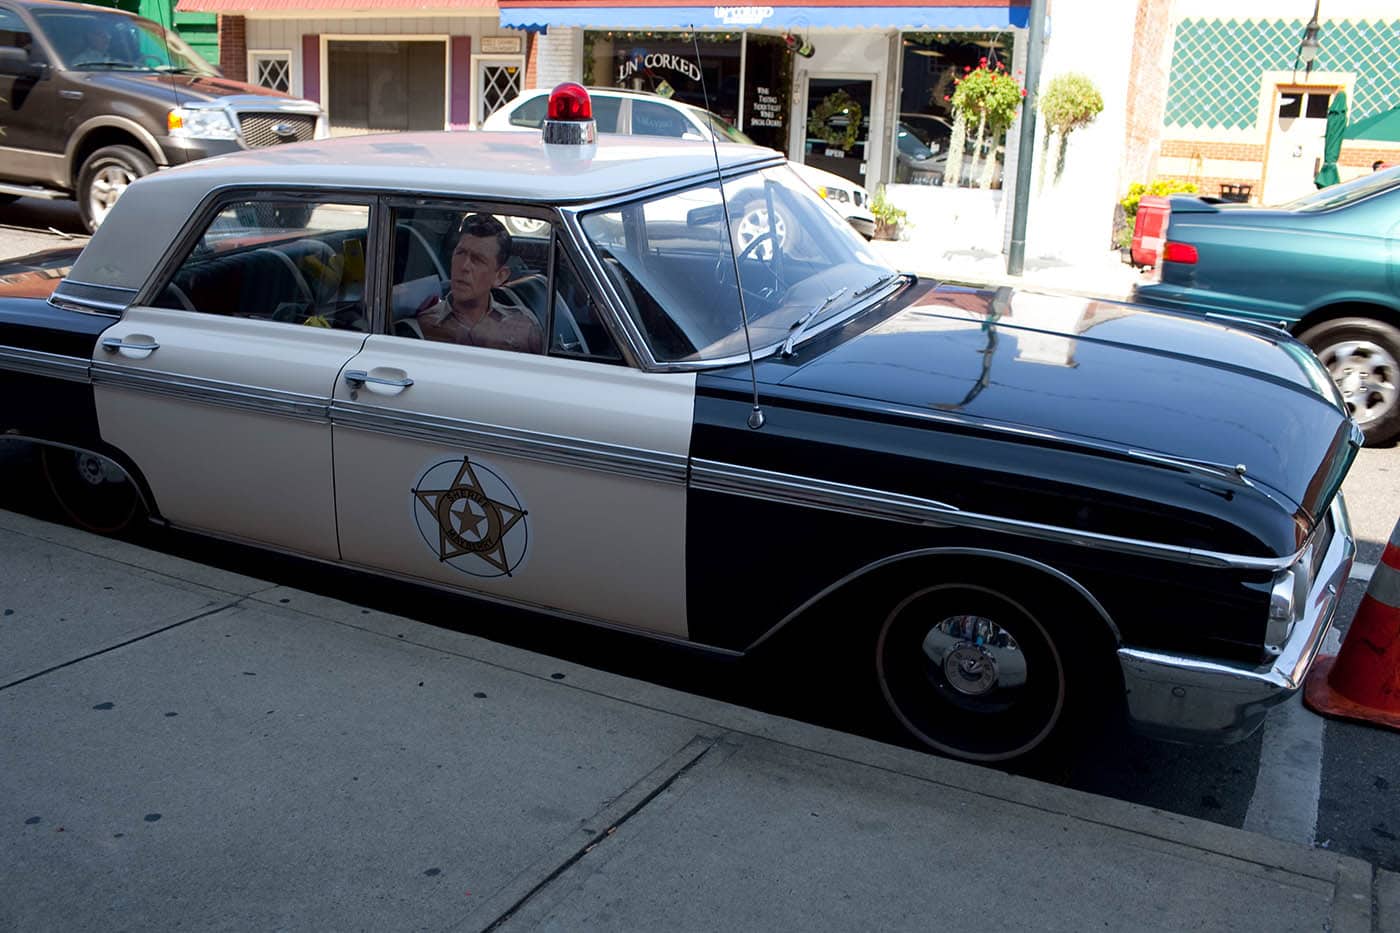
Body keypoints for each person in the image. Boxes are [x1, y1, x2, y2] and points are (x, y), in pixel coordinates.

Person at [416, 214, 543, 353]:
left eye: (478, 260)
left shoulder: (523, 326)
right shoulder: (424, 323)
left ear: (499, 276)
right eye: (460, 253)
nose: (464, 266)